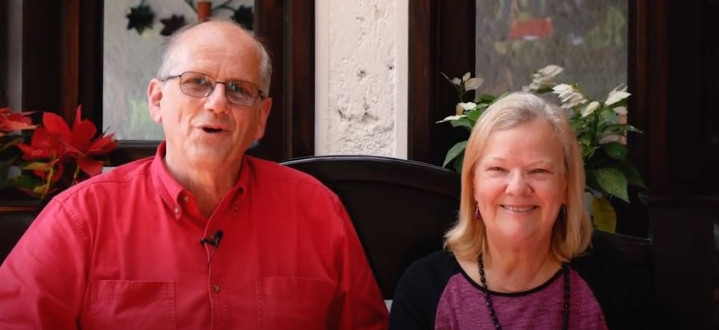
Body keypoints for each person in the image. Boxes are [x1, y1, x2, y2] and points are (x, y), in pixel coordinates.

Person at [0, 20, 388, 329]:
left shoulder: (318, 212)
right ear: (157, 100)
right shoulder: (80, 218)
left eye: (238, 89)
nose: (217, 103)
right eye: (197, 82)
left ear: (261, 118)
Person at [389, 92, 676, 329]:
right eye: (498, 169)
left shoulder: (612, 281)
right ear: (473, 184)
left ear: (566, 186)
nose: (517, 187)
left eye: (538, 170)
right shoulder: (424, 289)